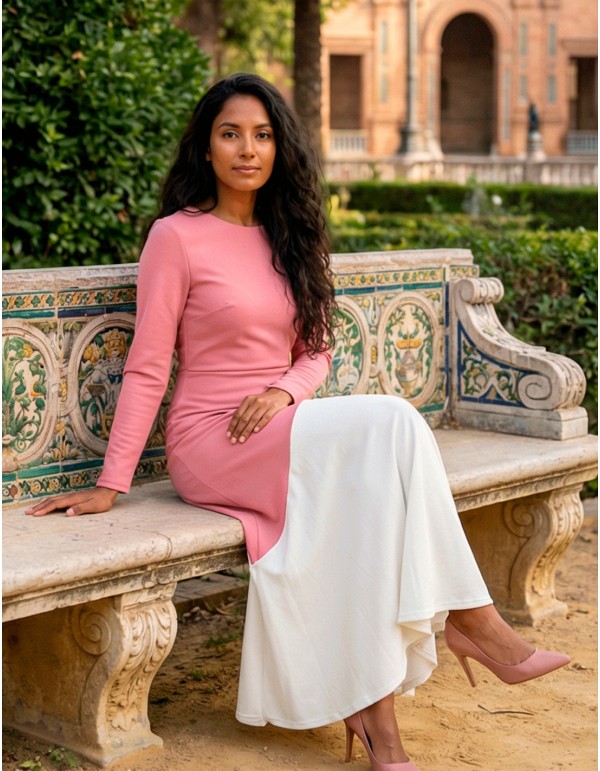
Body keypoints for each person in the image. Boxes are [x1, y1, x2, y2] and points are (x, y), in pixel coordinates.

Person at [26, 73, 569, 770]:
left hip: (284, 431)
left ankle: (382, 730)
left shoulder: (291, 236)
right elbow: (148, 365)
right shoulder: (177, 237)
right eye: (230, 134)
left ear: (280, 147)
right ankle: (473, 622)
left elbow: (315, 352)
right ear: (206, 147)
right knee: (396, 425)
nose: (247, 149)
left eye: (262, 135)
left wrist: (284, 392)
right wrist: (112, 480)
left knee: (363, 512)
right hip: (212, 441)